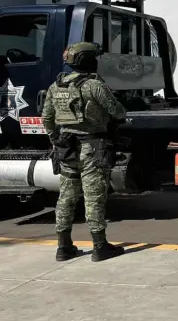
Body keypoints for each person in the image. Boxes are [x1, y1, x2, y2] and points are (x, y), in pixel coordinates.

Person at [42, 42, 127, 263]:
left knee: (66, 197)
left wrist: (56, 141)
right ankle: (99, 246)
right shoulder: (93, 85)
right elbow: (117, 111)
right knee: (93, 196)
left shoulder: (56, 85)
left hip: (66, 147)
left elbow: (47, 119)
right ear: (88, 60)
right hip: (92, 147)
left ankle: (63, 246)